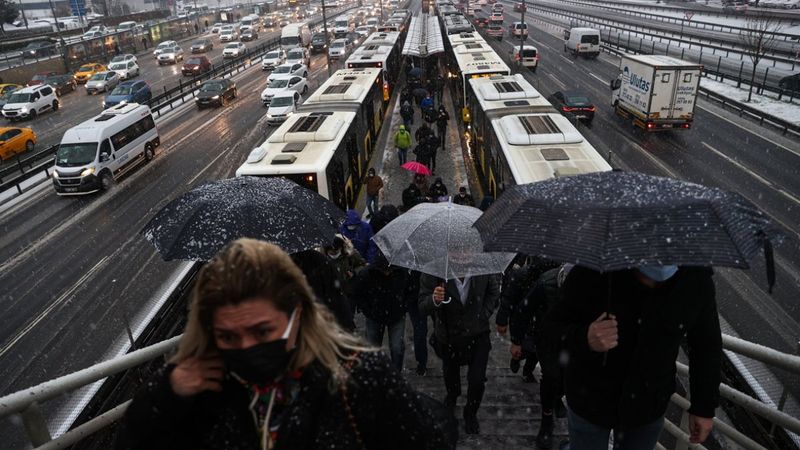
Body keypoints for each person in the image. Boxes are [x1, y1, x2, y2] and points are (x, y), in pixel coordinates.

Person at [117, 238, 453, 450]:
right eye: (228, 337)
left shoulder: (357, 379)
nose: (246, 348)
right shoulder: (195, 392)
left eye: (262, 332)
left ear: (298, 316)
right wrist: (164, 398)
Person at [543, 265, 722, 449]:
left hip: (647, 406)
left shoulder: (696, 281)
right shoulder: (592, 272)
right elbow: (549, 330)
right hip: (589, 398)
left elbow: (706, 347)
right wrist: (584, 338)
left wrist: (704, 407)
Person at [419, 273, 501, 435]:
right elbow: (422, 305)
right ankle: (452, 395)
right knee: (451, 373)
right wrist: (434, 300)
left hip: (478, 335)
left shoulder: (482, 269)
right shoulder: (435, 271)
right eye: (457, 249)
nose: (462, 253)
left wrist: (484, 314)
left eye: (466, 249)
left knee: (477, 380)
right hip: (449, 335)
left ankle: (470, 412)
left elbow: (494, 293)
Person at [509, 265, 572, 449]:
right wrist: (516, 340)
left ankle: (557, 397)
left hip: (573, 338)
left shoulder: (590, 284)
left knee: (566, 378)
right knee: (551, 377)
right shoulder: (545, 283)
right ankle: (546, 421)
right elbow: (523, 310)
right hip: (548, 337)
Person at [351, 251, 413, 372]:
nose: (387, 273)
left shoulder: (401, 273)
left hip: (396, 315)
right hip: (375, 316)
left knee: (397, 348)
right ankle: (374, 373)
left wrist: (403, 307)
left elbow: (411, 291)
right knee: (373, 349)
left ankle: (396, 373)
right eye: (384, 270)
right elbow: (358, 294)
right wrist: (368, 311)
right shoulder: (366, 275)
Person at [291, 249, 356, 331]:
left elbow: (335, 291)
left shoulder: (313, 260)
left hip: (323, 320)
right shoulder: (316, 258)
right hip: (322, 319)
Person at [323, 234, 366, 304]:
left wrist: (354, 272)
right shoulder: (322, 258)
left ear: (342, 247)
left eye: (337, 249)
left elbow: (363, 265)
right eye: (332, 251)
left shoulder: (350, 254)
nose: (334, 252)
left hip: (349, 292)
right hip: (333, 295)